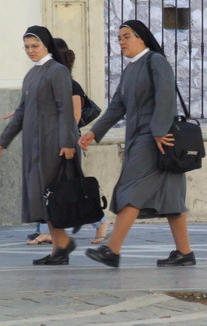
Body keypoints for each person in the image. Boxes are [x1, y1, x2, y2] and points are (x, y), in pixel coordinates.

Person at [78, 20, 195, 268]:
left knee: (129, 189)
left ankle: (112, 250)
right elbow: (117, 106)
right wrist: (94, 131)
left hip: (155, 138)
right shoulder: (131, 69)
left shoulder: (156, 61)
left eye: (126, 36)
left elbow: (166, 97)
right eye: (119, 37)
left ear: (141, 38)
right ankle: (185, 254)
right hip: (143, 135)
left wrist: (159, 131)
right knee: (172, 196)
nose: (121, 41)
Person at [0, 26, 80, 265]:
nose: (30, 51)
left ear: (47, 46)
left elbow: (65, 109)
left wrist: (67, 143)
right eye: (27, 47)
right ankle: (60, 246)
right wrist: (3, 142)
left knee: (51, 196)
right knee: (42, 197)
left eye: (35, 46)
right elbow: (21, 113)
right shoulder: (31, 74)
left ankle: (61, 247)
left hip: (53, 144)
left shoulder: (57, 71)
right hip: (34, 146)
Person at [53, 38, 110, 245]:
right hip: (55, 140)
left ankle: (100, 221)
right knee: (53, 186)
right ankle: (48, 229)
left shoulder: (70, 84)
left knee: (72, 186)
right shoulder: (55, 82)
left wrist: (66, 139)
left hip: (67, 141)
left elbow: (75, 116)